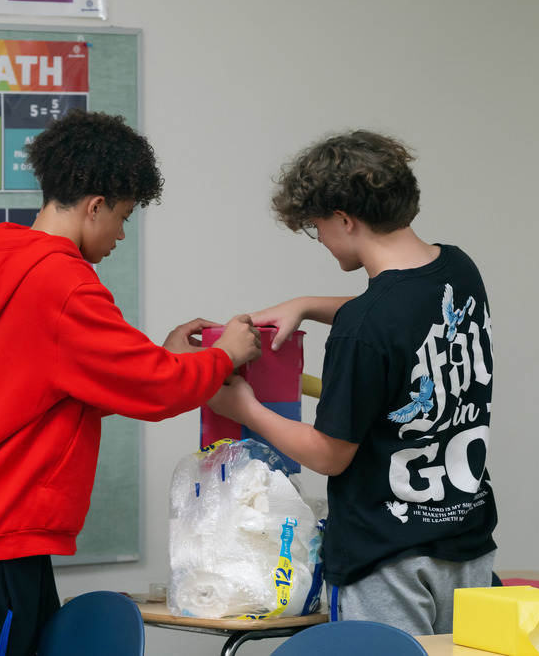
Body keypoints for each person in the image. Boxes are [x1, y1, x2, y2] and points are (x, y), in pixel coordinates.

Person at [0, 109, 262, 656]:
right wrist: (226, 355)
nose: (122, 234)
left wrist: (165, 357)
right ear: (95, 206)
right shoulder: (62, 282)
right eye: (123, 217)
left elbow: (74, 385)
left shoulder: (14, 265)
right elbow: (155, 388)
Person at [208, 129, 497, 636]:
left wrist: (245, 408)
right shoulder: (458, 270)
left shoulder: (361, 330)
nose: (320, 239)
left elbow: (328, 454)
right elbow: (403, 316)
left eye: (317, 227)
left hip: (386, 559)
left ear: (345, 220)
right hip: (467, 545)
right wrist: (306, 305)